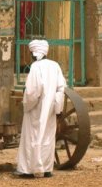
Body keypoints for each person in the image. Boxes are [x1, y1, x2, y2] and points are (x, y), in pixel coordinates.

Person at [15, 39, 66, 178]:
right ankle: (46, 168)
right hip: (50, 107)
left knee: (32, 136)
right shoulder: (55, 65)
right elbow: (61, 87)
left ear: (34, 53)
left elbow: (33, 91)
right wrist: (57, 107)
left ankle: (29, 169)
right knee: (48, 136)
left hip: (36, 109)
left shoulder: (36, 67)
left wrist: (27, 105)